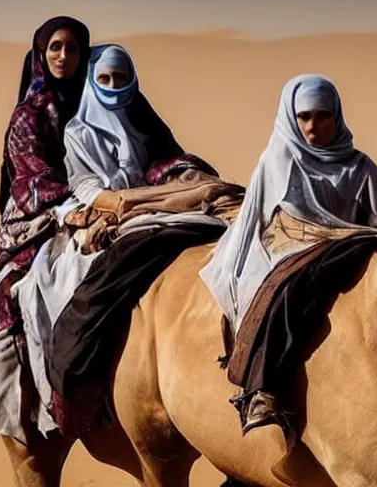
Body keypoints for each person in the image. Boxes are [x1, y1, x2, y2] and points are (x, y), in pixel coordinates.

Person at [13, 43, 242, 437]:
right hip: (98, 216)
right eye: (104, 78)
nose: (114, 86)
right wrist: (123, 204)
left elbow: (165, 159)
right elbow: (85, 187)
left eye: (121, 78)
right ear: (92, 81)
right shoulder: (77, 130)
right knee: (72, 284)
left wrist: (178, 186)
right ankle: (78, 385)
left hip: (149, 211)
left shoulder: (141, 118)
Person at [199, 73, 377, 435]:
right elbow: (271, 219)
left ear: (337, 117)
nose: (314, 126)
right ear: (291, 119)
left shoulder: (359, 165)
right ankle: (263, 389)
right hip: (287, 249)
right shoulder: (278, 159)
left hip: (351, 250)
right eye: (304, 117)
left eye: (323, 116)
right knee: (286, 295)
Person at [0, 16, 91, 444]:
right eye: (54, 48)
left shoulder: (96, 101)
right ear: (40, 54)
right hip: (38, 215)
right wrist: (83, 202)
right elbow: (32, 179)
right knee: (20, 293)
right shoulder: (29, 116)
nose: (63, 57)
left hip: (99, 203)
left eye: (71, 48)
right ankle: (30, 399)